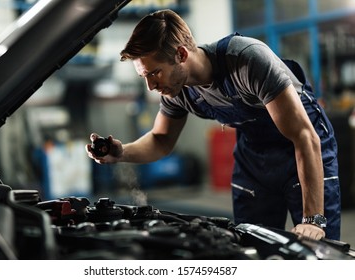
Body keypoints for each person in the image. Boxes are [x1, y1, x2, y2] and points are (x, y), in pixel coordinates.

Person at [86, 9, 341, 241]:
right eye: (144, 76)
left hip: (304, 149)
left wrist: (313, 220)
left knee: (318, 251)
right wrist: (121, 153)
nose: (151, 86)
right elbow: (161, 139)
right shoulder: (178, 90)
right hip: (254, 157)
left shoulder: (246, 61)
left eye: (154, 73)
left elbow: (304, 136)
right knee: (251, 247)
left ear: (181, 54)